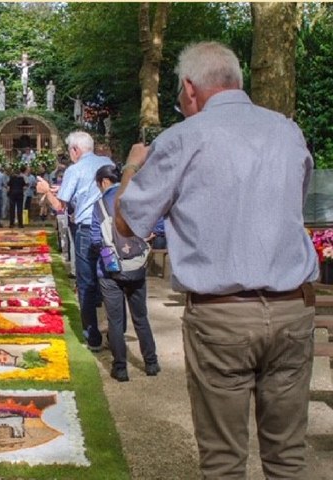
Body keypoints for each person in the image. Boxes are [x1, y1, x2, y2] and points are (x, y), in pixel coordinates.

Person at [115, 41, 318, 478]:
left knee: (224, 462)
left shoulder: (185, 136)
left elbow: (128, 222)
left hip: (222, 315)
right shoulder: (287, 130)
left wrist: (132, 167)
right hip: (292, 309)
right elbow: (293, 207)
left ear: (190, 88)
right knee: (288, 459)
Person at [37, 131, 113, 351]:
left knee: (86, 282)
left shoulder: (74, 169)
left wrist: (45, 191)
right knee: (111, 277)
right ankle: (116, 332)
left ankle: (93, 337)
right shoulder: (106, 162)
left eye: (70, 150)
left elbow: (59, 206)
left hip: (87, 228)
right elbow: (92, 189)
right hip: (109, 227)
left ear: (75, 150)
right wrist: (62, 189)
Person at [93, 164, 158, 382]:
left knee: (115, 321)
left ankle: (120, 368)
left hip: (110, 270)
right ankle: (151, 362)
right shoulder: (137, 198)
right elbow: (158, 226)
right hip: (136, 267)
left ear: (103, 182)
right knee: (140, 316)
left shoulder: (100, 204)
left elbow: (95, 239)